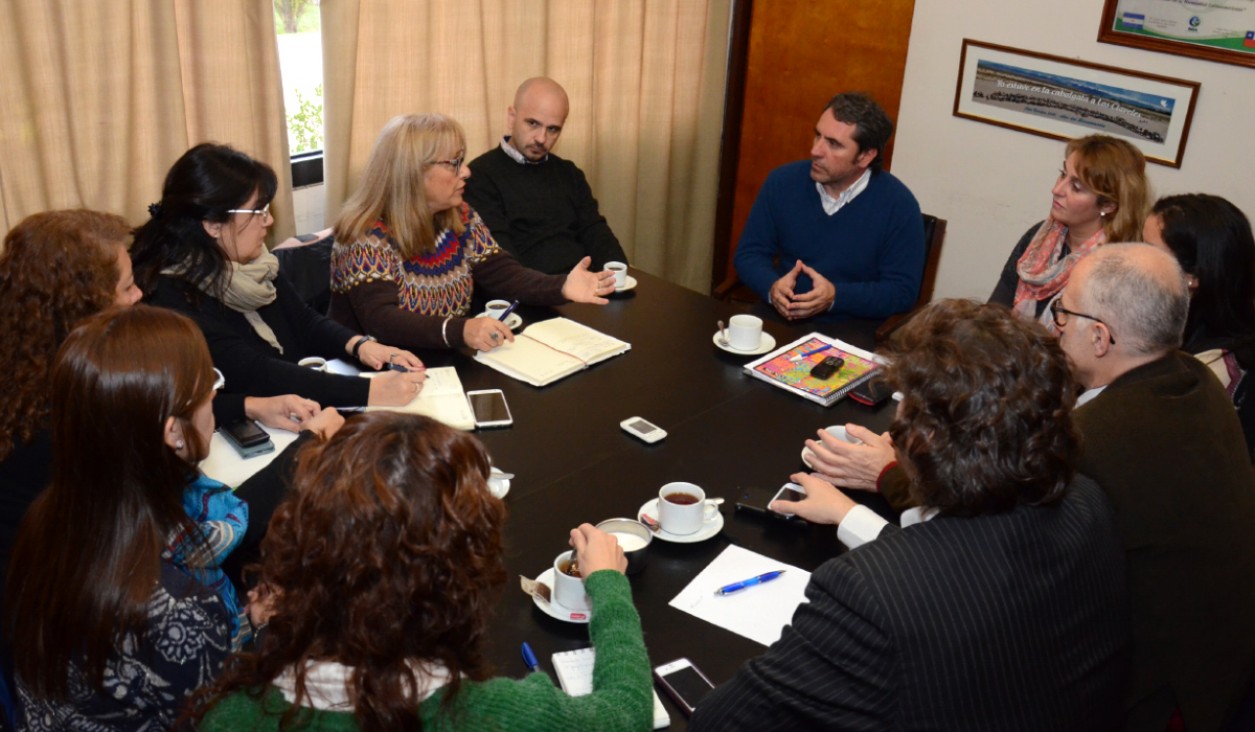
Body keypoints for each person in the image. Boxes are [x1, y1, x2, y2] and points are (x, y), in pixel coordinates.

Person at [813, 246, 1255, 731]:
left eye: (1065, 313)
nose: (1055, 325)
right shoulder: (1194, 380)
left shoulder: (1092, 447)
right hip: (1219, 664)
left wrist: (889, 475)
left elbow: (968, 560)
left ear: (1101, 337)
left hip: (1140, 697)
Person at [688, 299, 1130, 730]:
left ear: (916, 444)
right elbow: (962, 582)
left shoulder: (868, 593)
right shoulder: (1088, 504)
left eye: (903, 408)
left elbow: (719, 721)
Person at [190, 412, 654, 731]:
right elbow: (625, 712)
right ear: (461, 575)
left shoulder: (229, 716)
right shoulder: (500, 714)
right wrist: (608, 587)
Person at [6, 306, 238, 728]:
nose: (215, 395)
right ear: (173, 433)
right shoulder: (180, 608)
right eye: (208, 384)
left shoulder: (45, 520)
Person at [131, 143, 426, 415]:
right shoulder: (171, 296)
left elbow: (304, 321)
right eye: (258, 211)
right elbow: (256, 373)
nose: (269, 221)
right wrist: (371, 390)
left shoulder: (257, 264)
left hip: (296, 408)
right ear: (213, 225)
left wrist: (360, 345)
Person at [329, 113, 616, 353]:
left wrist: (562, 286)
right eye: (453, 163)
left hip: (443, 362)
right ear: (413, 172)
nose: (466, 172)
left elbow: (502, 273)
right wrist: (461, 330)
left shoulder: (459, 216)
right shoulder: (365, 236)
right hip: (377, 376)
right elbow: (382, 321)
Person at [733, 91, 925, 322]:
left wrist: (835, 296)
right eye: (818, 136)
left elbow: (902, 292)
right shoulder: (782, 182)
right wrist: (772, 286)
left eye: (833, 144)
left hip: (848, 327)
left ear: (865, 156)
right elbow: (749, 254)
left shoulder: (899, 206)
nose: (816, 151)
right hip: (779, 315)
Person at [464, 77, 627, 275]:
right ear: (511, 117)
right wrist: (562, 289)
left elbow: (596, 233)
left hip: (587, 288)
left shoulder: (569, 173)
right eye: (533, 123)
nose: (541, 139)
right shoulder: (480, 176)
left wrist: (619, 277)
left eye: (552, 129)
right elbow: (502, 263)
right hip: (532, 295)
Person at [989, 134, 1149, 327]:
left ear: (1108, 205)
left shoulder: (1117, 270)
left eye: (1076, 187)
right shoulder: (1038, 237)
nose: (1056, 189)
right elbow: (993, 315)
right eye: (1063, 174)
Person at [1142, 193, 1255, 458]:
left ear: (1192, 276)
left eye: (1150, 252)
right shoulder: (1167, 324)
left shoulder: (1214, 370)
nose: (1134, 259)